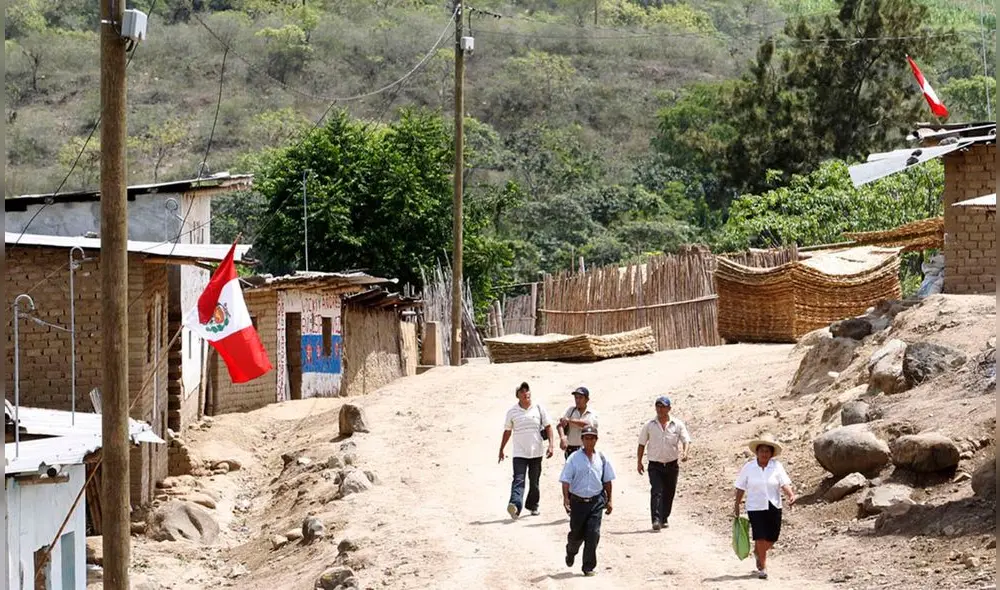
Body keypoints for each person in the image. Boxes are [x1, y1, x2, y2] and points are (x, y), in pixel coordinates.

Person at [733, 433, 796, 580]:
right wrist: (737, 504)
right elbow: (740, 487)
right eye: (762, 451)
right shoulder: (749, 467)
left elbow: (784, 483)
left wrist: (791, 495)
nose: (764, 454)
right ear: (757, 452)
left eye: (767, 451)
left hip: (774, 505)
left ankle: (758, 552)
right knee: (760, 536)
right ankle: (763, 566)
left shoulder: (777, 466)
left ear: (772, 453)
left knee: (773, 537)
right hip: (755, 507)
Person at [559, 425, 615, 577]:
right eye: (586, 438)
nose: (589, 441)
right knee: (576, 534)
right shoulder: (573, 459)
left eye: (592, 438)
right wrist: (566, 499)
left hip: (596, 501)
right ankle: (571, 551)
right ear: (582, 440)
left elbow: (608, 480)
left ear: (596, 440)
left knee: (593, 533)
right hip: (577, 502)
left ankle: (588, 566)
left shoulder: (602, 458)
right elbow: (565, 480)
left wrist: (609, 500)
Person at [498, 381, 554, 519]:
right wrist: (501, 449)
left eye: (527, 390)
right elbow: (507, 431)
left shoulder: (539, 408)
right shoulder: (512, 412)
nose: (525, 393)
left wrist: (551, 445)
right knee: (518, 479)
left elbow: (548, 427)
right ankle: (515, 506)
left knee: (534, 481)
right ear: (517, 396)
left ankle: (533, 505)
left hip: (536, 451)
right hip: (519, 453)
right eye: (522, 391)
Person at [636, 395, 691, 530]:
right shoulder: (649, 425)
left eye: (663, 406)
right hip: (655, 465)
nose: (660, 409)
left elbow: (686, 440)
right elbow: (642, 444)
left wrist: (685, 452)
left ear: (669, 408)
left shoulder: (677, 425)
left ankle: (664, 517)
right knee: (657, 491)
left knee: (669, 492)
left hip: (672, 464)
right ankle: (655, 519)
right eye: (658, 406)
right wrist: (639, 461)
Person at [557, 386, 599, 459]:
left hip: (585, 449)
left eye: (580, 398)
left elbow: (587, 425)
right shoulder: (570, 410)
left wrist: (570, 420)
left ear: (587, 400)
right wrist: (562, 437)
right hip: (571, 448)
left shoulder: (591, 413)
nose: (578, 400)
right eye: (576, 398)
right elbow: (560, 425)